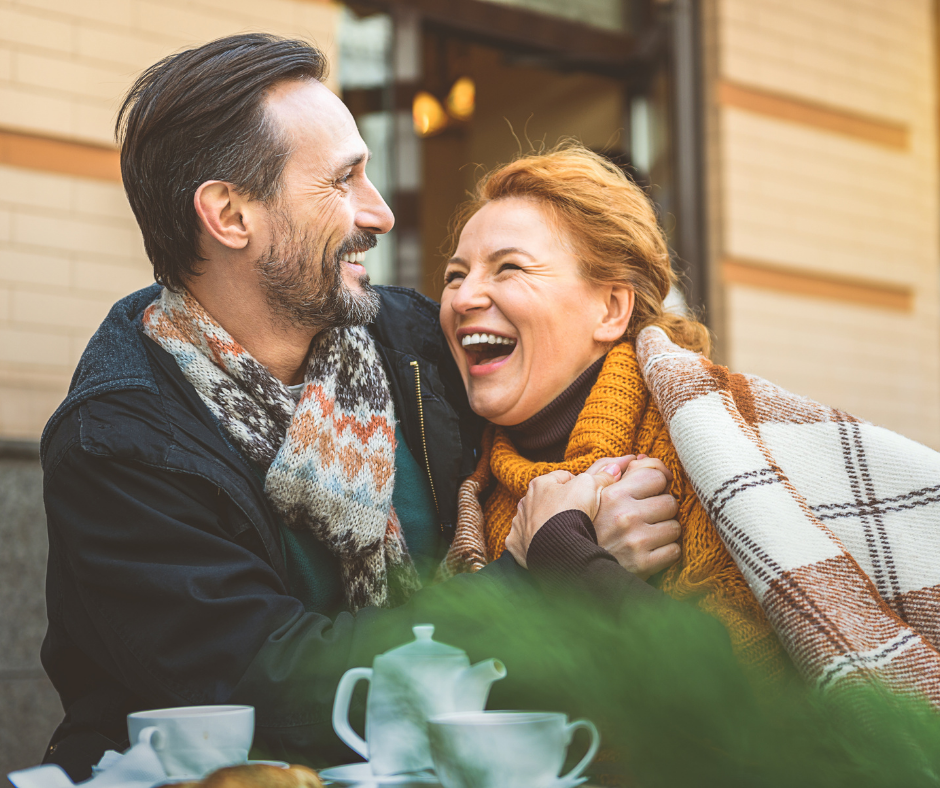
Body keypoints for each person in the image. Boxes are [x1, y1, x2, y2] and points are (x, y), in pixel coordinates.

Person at [38, 36, 683, 780]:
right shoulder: (118, 443)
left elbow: (568, 377)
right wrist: (533, 577)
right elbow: (279, 687)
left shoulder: (413, 343)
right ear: (229, 214)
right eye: (342, 182)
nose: (378, 212)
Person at [438, 143, 940, 698]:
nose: (464, 297)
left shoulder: (710, 452)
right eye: (454, 275)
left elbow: (745, 702)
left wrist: (564, 553)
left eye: (508, 267)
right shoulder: (459, 470)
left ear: (611, 309)